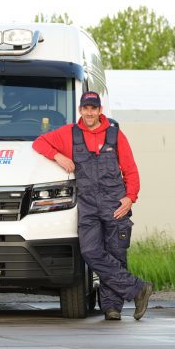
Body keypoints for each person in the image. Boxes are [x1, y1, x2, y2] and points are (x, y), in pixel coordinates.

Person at [33, 91, 153, 321]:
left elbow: (130, 170)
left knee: (116, 255)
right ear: (80, 110)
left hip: (115, 203)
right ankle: (137, 289)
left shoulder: (115, 135)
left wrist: (130, 198)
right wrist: (58, 156)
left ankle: (112, 308)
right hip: (87, 205)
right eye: (85, 108)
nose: (89, 112)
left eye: (93, 108)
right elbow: (40, 142)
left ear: (100, 111)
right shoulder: (69, 133)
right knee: (90, 251)